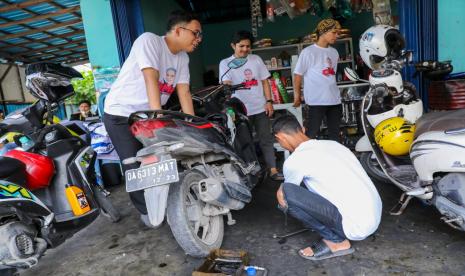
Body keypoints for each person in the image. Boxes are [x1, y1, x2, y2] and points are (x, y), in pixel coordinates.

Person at [103, 10, 202, 225]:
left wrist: (193, 125)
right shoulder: (149, 41)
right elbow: (151, 78)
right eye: (196, 33)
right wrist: (157, 117)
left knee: (166, 157)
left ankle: (171, 202)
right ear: (178, 30)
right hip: (121, 113)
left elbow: (183, 92)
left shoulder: (182, 57)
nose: (198, 39)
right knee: (134, 163)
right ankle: (147, 212)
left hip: (146, 115)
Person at [272, 114, 382, 261]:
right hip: (373, 216)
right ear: (302, 129)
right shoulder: (333, 144)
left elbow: (286, 198)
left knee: (286, 192)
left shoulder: (294, 161)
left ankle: (336, 241)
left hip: (355, 227)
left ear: (280, 138)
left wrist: (282, 190)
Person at [219, 30, 283, 181]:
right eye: (241, 46)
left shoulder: (256, 59)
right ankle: (250, 173)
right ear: (233, 46)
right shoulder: (225, 63)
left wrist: (269, 102)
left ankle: (273, 170)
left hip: (260, 107)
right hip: (240, 111)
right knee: (244, 142)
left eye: (248, 46)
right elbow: (226, 84)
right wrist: (227, 94)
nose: (245, 49)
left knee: (266, 139)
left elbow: (264, 81)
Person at [293, 18, 342, 141]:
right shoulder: (308, 52)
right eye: (334, 32)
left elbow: (332, 75)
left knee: (335, 134)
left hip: (334, 100)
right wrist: (297, 96)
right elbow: (298, 74)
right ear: (323, 32)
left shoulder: (334, 52)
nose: (337, 35)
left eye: (338, 33)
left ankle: (335, 158)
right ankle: (307, 159)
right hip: (316, 101)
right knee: (311, 133)